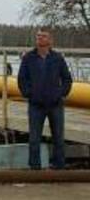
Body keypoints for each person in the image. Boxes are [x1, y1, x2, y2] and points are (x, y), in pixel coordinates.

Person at [17, 28, 73, 169]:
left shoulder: (57, 58)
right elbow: (22, 79)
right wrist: (29, 94)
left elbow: (67, 79)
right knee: (34, 138)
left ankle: (59, 167)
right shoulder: (29, 58)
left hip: (55, 104)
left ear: (50, 40)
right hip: (36, 105)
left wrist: (61, 93)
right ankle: (35, 168)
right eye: (38, 36)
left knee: (58, 138)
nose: (40, 39)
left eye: (43, 36)